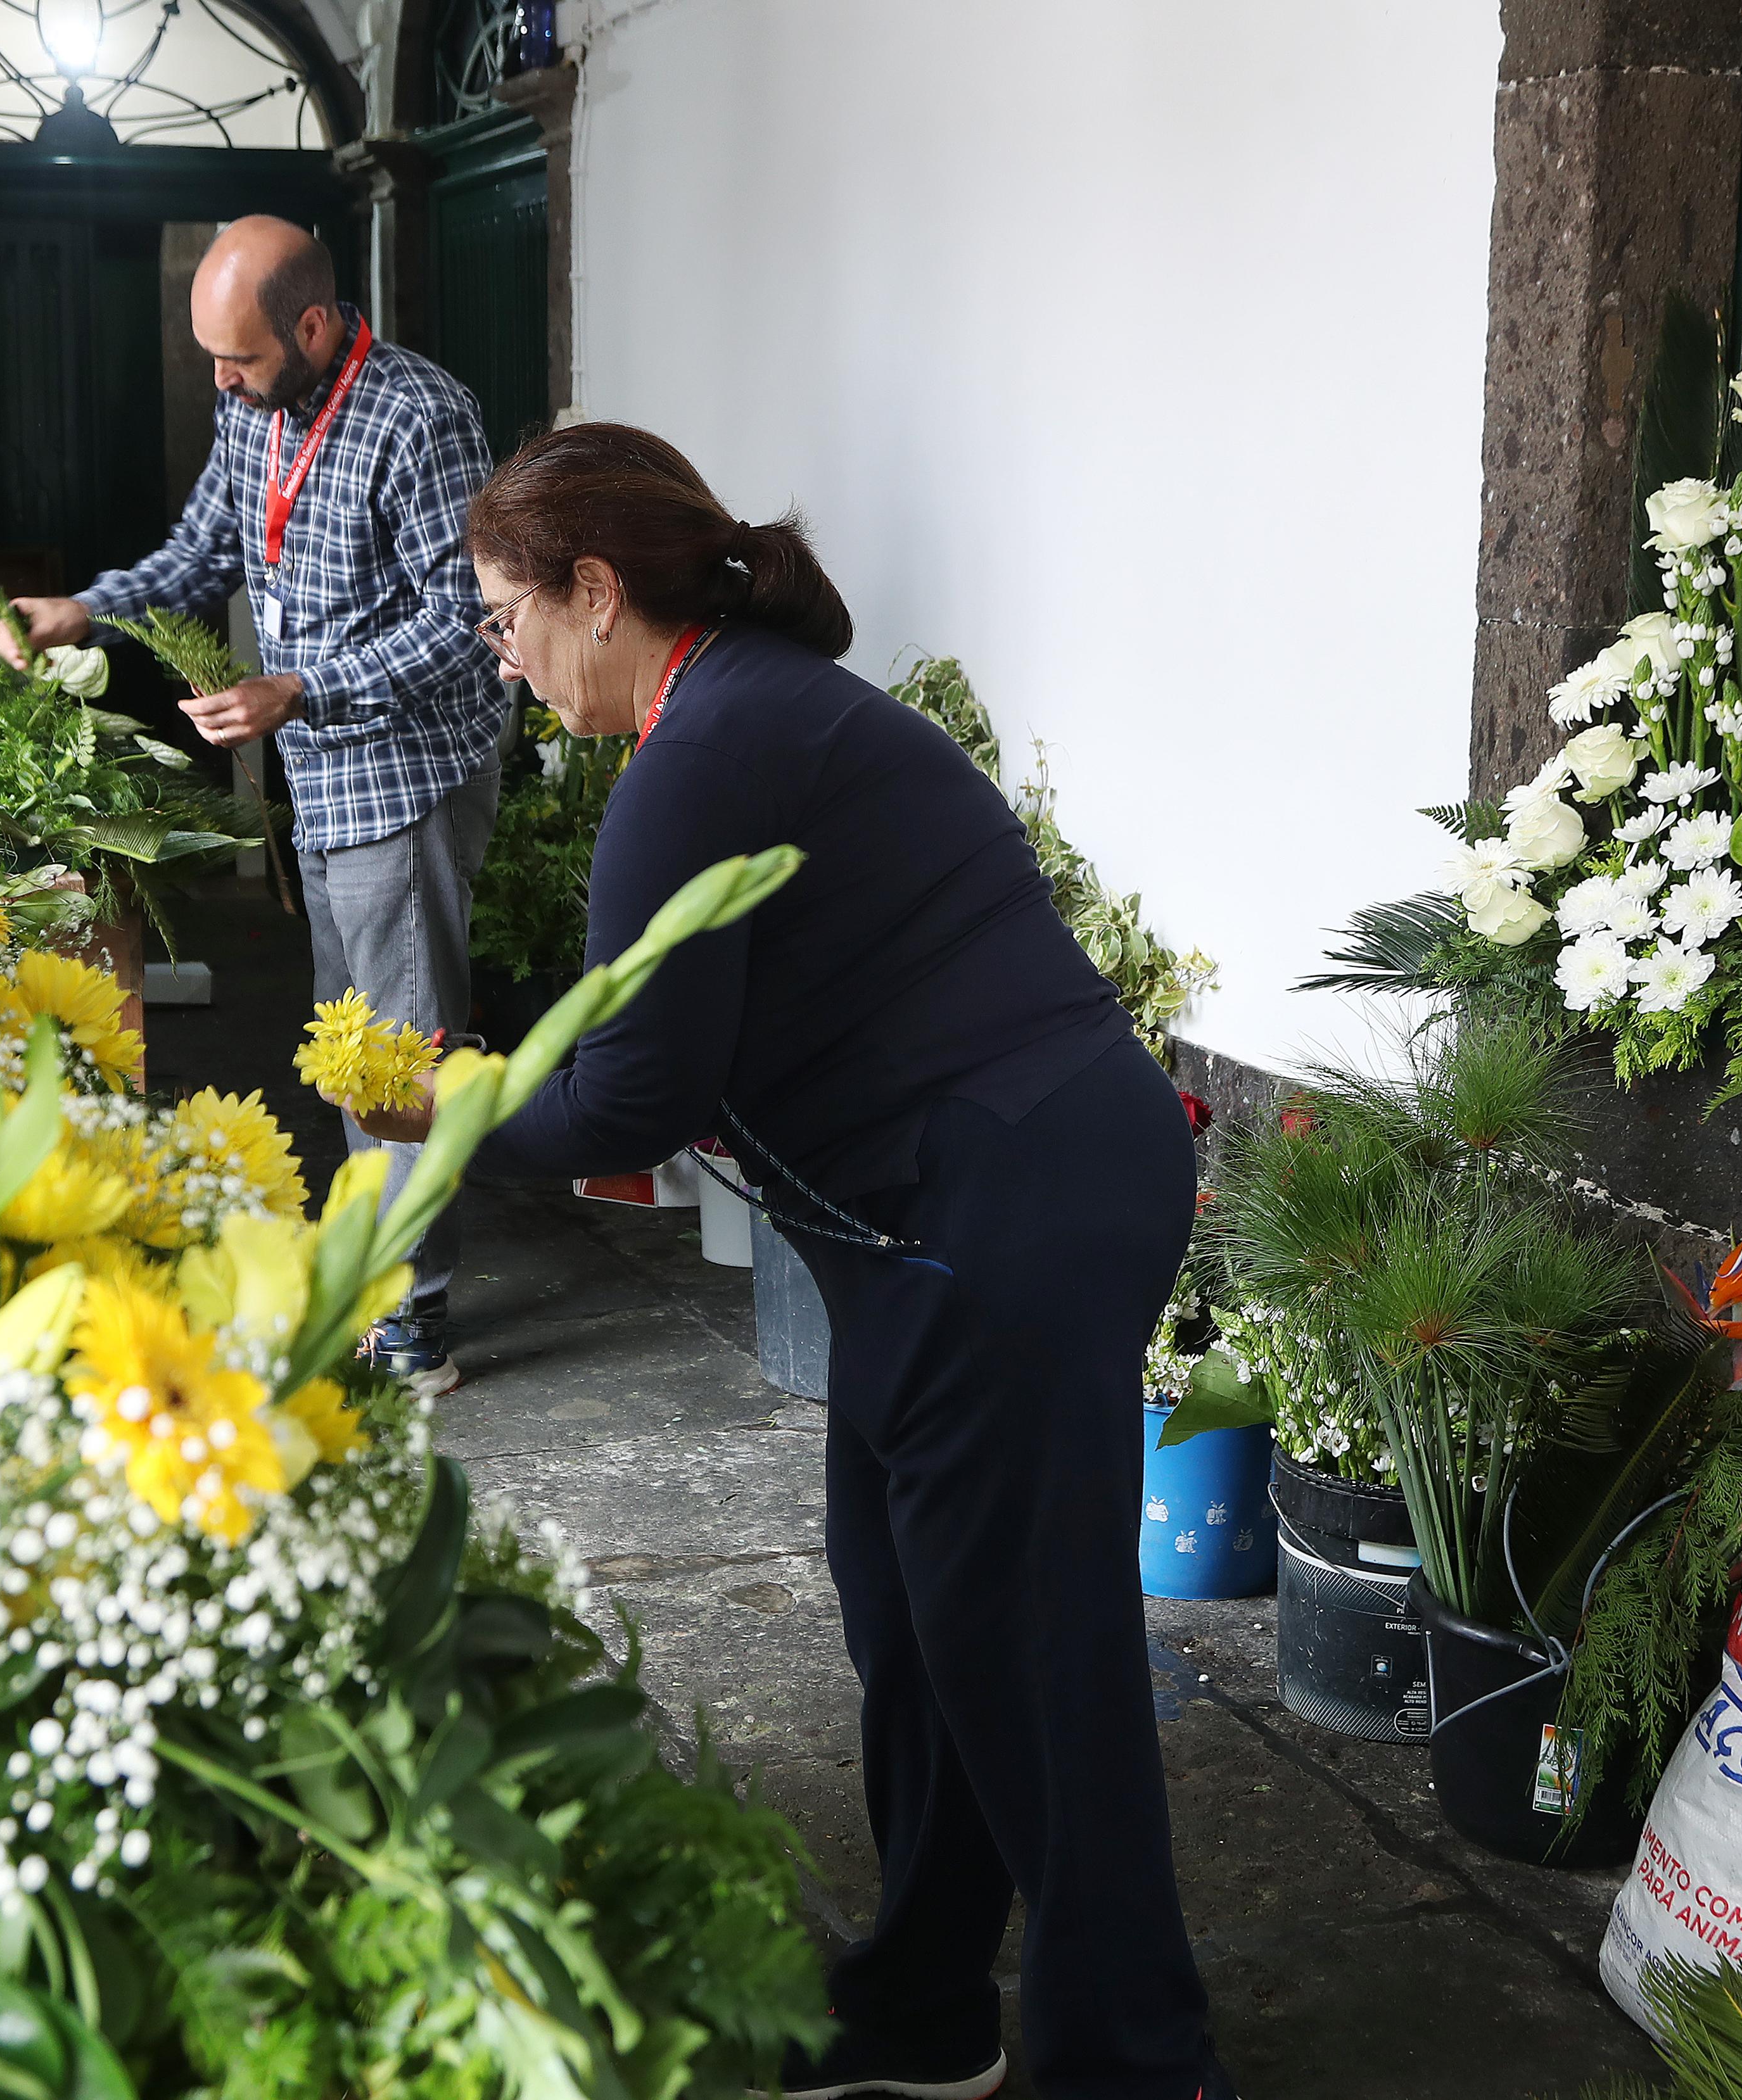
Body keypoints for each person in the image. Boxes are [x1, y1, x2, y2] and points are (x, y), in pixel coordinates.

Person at [354, 423, 1234, 2100]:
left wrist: (443, 1104)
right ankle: (925, 1998)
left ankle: (1140, 2059)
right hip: (966, 1203)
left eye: (502, 616)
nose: (506, 654)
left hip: (1003, 1209)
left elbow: (640, 1088)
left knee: (1032, 1655)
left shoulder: (709, 745)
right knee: (912, 1603)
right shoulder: (732, 710)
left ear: (596, 593)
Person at [0, 216, 506, 1398]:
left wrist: (300, 685)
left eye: (241, 359)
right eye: (213, 362)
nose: (220, 382)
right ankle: (376, 1284)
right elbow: (201, 553)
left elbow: (467, 623)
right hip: (317, 772)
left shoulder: (422, 417)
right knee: (349, 1040)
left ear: (316, 324)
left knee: (400, 1049)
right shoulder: (252, 411)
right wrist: (82, 607)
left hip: (406, 769)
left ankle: (414, 1316)